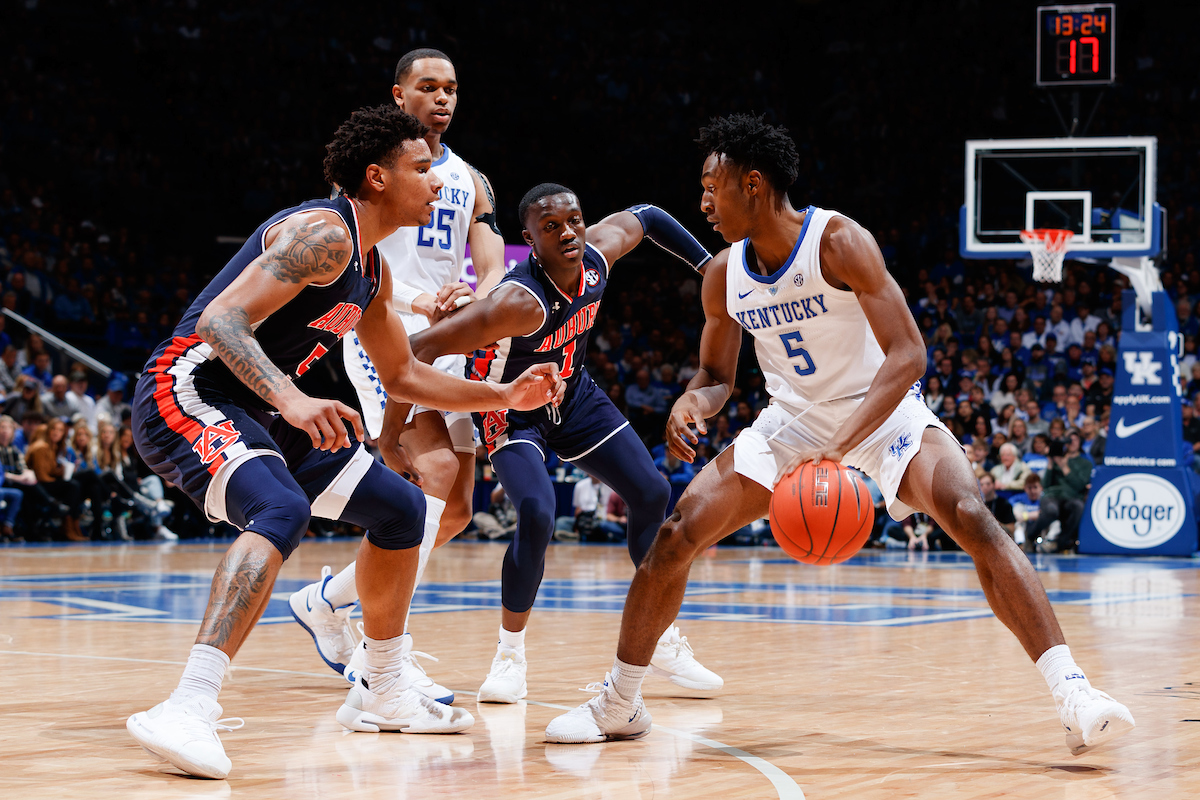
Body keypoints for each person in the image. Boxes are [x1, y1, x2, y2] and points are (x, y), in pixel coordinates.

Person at [545, 114, 1133, 754]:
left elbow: (908, 354)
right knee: (676, 532)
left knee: (970, 512)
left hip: (882, 412)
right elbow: (717, 373)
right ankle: (619, 704)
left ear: (754, 183)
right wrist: (693, 401)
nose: (704, 204)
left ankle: (1074, 691)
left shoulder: (838, 241)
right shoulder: (722, 274)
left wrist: (847, 440)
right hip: (792, 422)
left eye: (713, 188)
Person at [124, 105, 563, 780]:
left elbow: (405, 373)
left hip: (264, 409)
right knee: (281, 510)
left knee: (402, 513)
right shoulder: (323, 232)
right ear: (376, 177)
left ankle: (382, 687)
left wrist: (503, 397)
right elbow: (220, 321)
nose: (438, 183)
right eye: (422, 169)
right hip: (187, 392)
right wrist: (294, 399)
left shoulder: (372, 268)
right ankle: (187, 704)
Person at [403, 181, 722, 704]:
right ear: (530, 239)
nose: (568, 233)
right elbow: (418, 349)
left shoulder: (595, 257)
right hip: (511, 407)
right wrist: (395, 428)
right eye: (551, 228)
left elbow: (649, 213)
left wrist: (707, 266)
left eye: (574, 220)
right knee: (537, 511)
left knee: (651, 493)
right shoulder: (513, 303)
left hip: (573, 395)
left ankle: (659, 638)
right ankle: (509, 654)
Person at [293, 48, 508, 705]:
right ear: (398, 94)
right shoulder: (374, 171)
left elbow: (492, 257)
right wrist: (420, 305)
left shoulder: (471, 179)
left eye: (451, 88)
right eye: (428, 87)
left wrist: (481, 299)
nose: (442, 98)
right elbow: (355, 257)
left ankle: (326, 601)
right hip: (384, 332)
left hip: (449, 340)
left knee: (459, 509)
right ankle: (383, 654)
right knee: (432, 482)